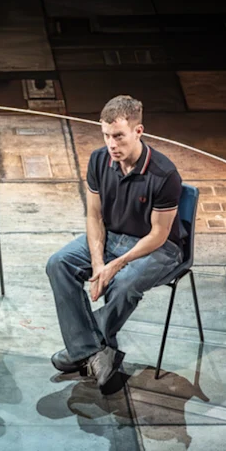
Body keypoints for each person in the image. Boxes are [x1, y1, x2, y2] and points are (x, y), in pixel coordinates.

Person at [46, 95, 185, 394]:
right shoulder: (99, 159)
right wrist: (98, 264)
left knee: (123, 283)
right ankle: (93, 349)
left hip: (158, 248)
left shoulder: (165, 174)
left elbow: (159, 235)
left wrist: (114, 265)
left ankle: (82, 346)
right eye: (107, 136)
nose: (112, 144)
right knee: (59, 263)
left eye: (119, 136)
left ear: (138, 131)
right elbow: (94, 215)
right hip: (112, 238)